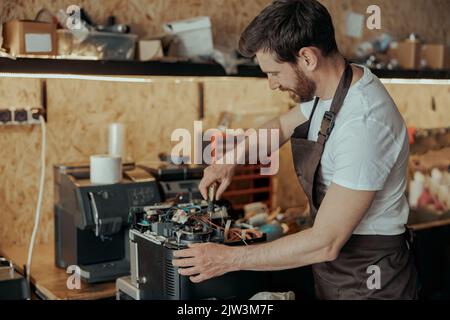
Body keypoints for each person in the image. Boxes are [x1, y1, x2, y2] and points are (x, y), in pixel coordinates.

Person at [172, 0, 418, 299]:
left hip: (371, 280)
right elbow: (281, 126)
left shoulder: (364, 123)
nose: (271, 85)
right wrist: (230, 160)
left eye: (274, 72)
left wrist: (226, 259)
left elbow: (325, 241)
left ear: (307, 58)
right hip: (337, 270)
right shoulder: (331, 88)